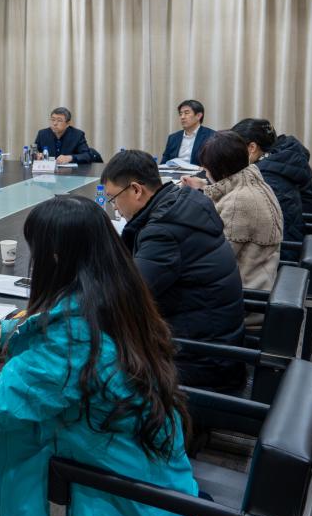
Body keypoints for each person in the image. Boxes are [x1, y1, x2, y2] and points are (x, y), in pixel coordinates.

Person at [0, 196, 198, 516]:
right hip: (152, 478)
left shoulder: (71, 339)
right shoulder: (118, 295)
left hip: (117, 503)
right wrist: (4, 332)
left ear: (55, 257)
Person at [101, 149, 244, 389]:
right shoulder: (183, 203)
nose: (115, 208)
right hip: (215, 344)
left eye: (113, 198)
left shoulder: (164, 231)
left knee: (91, 368)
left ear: (136, 190)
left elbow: (126, 298)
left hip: (200, 361)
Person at [181, 131, 283, 290]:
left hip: (243, 290)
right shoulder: (255, 182)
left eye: (207, 170)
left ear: (221, 171)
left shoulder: (239, 202)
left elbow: (215, 260)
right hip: (262, 277)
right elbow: (229, 191)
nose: (206, 174)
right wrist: (203, 188)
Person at [230, 119, 312, 259]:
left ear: (252, 147)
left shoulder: (266, 177)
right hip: (299, 235)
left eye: (235, 149)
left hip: (281, 253)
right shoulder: (284, 158)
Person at [161, 100, 215, 165]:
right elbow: (164, 162)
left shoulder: (211, 136)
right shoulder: (173, 138)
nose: (182, 117)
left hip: (198, 171)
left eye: (186, 113)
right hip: (174, 171)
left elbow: (214, 163)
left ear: (198, 116)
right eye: (180, 114)